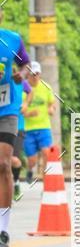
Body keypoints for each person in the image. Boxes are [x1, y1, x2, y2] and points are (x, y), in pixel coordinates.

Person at [0, 12, 30, 247]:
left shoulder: (12, 39)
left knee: (3, 164)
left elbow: (25, 64)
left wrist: (23, 74)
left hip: (6, 110)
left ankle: (3, 230)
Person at [23, 60, 55, 183]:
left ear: (40, 74)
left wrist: (51, 109)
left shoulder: (46, 87)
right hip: (28, 129)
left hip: (44, 127)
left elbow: (52, 103)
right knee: (32, 160)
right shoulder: (23, 88)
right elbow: (20, 110)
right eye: (32, 74)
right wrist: (29, 113)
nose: (35, 76)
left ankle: (46, 183)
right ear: (28, 75)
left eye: (37, 74)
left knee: (47, 153)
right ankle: (30, 170)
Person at [11, 68, 32, 201]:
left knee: (14, 160)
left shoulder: (20, 82)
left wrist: (25, 104)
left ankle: (16, 183)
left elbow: (30, 92)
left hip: (18, 127)